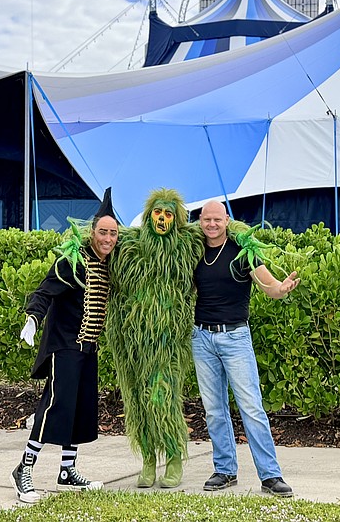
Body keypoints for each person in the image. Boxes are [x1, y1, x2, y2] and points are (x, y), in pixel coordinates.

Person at [11, 190, 119, 504]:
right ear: (92, 232)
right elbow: (45, 291)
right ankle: (23, 470)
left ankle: (67, 471)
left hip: (89, 347)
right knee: (55, 406)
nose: (108, 238)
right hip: (65, 345)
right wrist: (32, 318)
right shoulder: (73, 260)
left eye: (113, 233)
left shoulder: (112, 262)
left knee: (79, 409)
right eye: (103, 232)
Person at [192, 200, 300, 496]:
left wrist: (281, 288)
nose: (211, 224)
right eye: (206, 220)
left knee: (251, 407)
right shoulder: (193, 251)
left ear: (226, 220)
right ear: (200, 221)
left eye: (217, 219)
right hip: (201, 338)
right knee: (214, 410)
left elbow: (269, 286)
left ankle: (270, 475)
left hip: (235, 337)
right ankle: (225, 470)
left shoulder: (243, 252)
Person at [106, 188, 202, 489]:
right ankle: (148, 459)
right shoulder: (130, 244)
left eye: (169, 214)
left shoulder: (188, 244)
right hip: (132, 342)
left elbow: (223, 230)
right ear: (149, 216)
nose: (162, 219)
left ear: (177, 219)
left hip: (167, 344)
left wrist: (246, 239)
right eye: (158, 213)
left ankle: (173, 456)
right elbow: (97, 242)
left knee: (162, 398)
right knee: (136, 401)